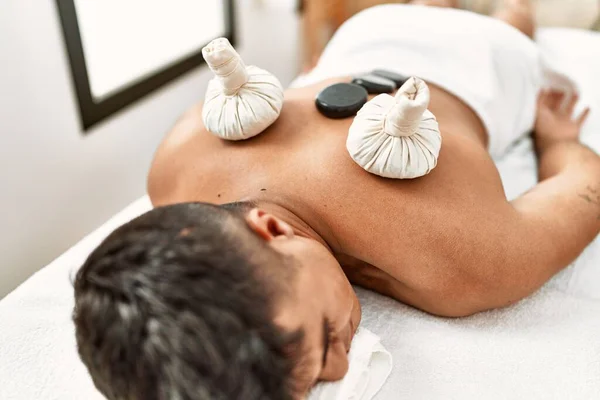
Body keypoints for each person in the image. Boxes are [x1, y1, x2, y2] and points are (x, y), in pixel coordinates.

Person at [73, 0, 600, 399]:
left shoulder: (465, 263)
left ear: (273, 230)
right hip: (365, 34)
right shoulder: (172, 168)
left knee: (514, 26)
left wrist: (556, 139)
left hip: (483, 61)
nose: (341, 370)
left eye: (324, 337)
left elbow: (585, 193)